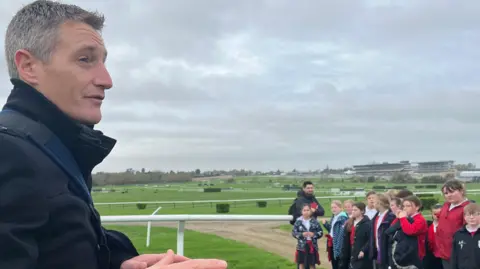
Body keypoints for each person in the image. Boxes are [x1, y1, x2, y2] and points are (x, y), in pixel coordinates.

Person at [0, 1, 227, 269]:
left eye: (103, 62)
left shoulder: (50, 148)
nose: (107, 80)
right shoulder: (9, 151)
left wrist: (115, 262)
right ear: (28, 66)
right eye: (85, 59)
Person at [435, 180, 470, 269]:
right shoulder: (446, 205)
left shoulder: (468, 208)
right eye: (446, 193)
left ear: (461, 191)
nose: (448, 195)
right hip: (443, 251)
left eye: (452, 191)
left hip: (458, 253)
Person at [340, 202, 372, 269]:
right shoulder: (349, 223)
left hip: (361, 254)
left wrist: (364, 250)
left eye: (355, 210)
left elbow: (370, 239)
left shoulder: (368, 224)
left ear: (362, 211)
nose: (353, 212)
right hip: (350, 253)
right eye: (352, 210)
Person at [397, 195, 428, 262]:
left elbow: (410, 231)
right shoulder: (407, 218)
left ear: (417, 207)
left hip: (416, 254)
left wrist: (402, 218)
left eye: (408, 206)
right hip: (406, 252)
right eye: (403, 206)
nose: (405, 208)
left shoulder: (420, 220)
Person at [292, 204, 323, 269]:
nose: (306, 212)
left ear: (311, 211)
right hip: (301, 246)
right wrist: (301, 234)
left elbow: (320, 232)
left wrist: (314, 234)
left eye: (308, 210)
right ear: (301, 212)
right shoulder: (298, 222)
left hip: (312, 246)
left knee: (312, 264)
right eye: (304, 210)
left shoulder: (315, 221)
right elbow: (294, 233)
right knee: (301, 263)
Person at [369, 194, 396, 269]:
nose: (373, 203)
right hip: (377, 252)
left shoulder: (391, 217)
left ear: (380, 203)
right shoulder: (376, 217)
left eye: (374, 202)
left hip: (387, 252)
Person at [450, 203, 480, 269]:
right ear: (465, 217)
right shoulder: (458, 234)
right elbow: (454, 256)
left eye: (475, 214)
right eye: (469, 214)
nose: (471, 217)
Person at [323, 200, 349, 269]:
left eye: (335, 207)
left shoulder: (343, 218)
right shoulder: (334, 217)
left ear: (341, 208)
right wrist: (325, 224)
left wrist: (338, 248)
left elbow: (341, 235)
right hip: (332, 243)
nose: (333, 209)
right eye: (332, 208)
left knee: (338, 264)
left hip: (338, 245)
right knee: (334, 263)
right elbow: (332, 231)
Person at [423, 204, 443, 269]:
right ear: (432, 214)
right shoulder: (427, 226)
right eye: (435, 214)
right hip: (430, 257)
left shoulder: (448, 227)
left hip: (443, 257)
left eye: (440, 213)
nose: (437, 216)